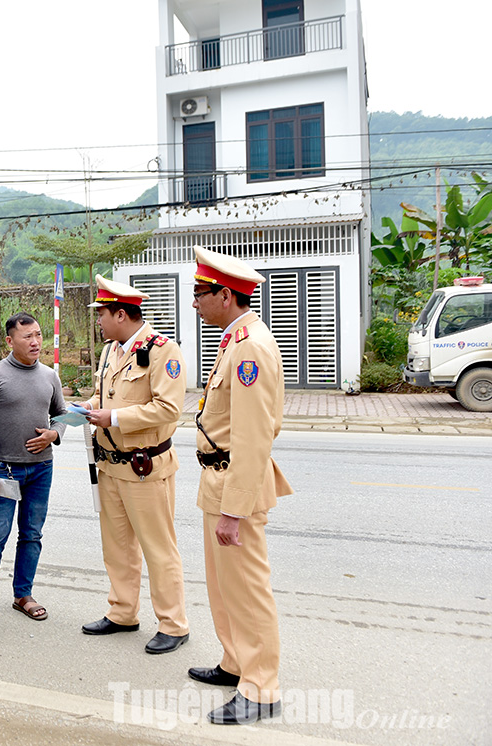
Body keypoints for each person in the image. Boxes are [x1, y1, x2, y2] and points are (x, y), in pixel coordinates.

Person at [187, 246, 293, 725]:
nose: (194, 303)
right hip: (219, 480)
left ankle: (261, 688)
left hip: (236, 485)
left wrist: (234, 510)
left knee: (247, 589)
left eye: (199, 294)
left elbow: (252, 439)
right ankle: (236, 663)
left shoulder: (249, 347)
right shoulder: (235, 339)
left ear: (225, 296)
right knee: (223, 585)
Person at [78, 275, 189, 654]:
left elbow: (168, 408)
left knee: (158, 549)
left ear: (120, 314)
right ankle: (123, 612)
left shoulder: (162, 351)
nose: (98, 321)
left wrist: (115, 418)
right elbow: (103, 395)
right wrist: (86, 409)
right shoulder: (111, 350)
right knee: (117, 547)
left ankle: (174, 624)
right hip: (110, 466)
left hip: (145, 467)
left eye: (102, 314)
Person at [0, 312, 67, 629]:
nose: (35, 342)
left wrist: (55, 434)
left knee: (32, 534)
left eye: (38, 335)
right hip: (4, 470)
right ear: (10, 341)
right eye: (27, 337)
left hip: (41, 469)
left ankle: (23, 594)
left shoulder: (50, 376)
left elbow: (62, 414)